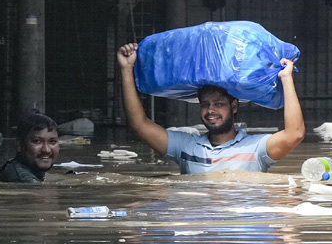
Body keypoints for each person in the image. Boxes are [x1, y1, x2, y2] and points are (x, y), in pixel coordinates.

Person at [116, 42, 304, 173]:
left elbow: (294, 134)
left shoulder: (256, 148)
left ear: (234, 106)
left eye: (219, 104)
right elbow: (139, 123)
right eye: (205, 105)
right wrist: (126, 69)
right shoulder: (185, 146)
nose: (210, 111)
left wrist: (286, 79)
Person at [0, 111, 60, 183]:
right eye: (37, 141)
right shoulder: (21, 178)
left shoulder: (16, 169)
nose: (46, 150)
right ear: (19, 145)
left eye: (52, 142)